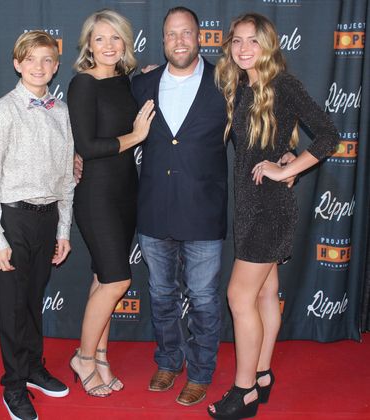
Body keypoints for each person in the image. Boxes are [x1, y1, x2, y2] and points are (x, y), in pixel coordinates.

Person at [208, 13, 339, 419]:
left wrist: (287, 168)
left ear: (268, 46)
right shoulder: (241, 85)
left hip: (269, 208)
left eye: (253, 41)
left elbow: (329, 135)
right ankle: (262, 375)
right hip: (249, 205)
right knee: (265, 293)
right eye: (237, 41)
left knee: (239, 296)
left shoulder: (283, 84)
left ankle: (244, 391)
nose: (244, 48)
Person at [130, 6, 228, 406]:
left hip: (203, 211)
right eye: (172, 34)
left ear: (200, 37)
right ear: (163, 40)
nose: (179, 41)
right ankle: (169, 361)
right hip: (154, 209)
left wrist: (285, 156)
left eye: (186, 33)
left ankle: (201, 372)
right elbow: (108, 125)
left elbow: (258, 127)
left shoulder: (225, 83)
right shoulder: (142, 83)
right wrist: (78, 154)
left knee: (203, 298)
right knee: (160, 294)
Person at [0, 30, 75, 420]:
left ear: (56, 66)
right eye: (30, 59)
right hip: (12, 219)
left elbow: (66, 179)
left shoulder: (61, 111)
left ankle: (33, 367)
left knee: (33, 301)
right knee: (15, 308)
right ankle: (14, 385)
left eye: (47, 59)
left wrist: (63, 230)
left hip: (47, 219)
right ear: (17, 63)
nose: (39, 66)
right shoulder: (0, 113)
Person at [66, 9, 155, 397]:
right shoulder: (83, 84)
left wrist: (152, 74)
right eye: (99, 38)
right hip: (96, 194)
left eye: (115, 37)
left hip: (126, 192)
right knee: (118, 279)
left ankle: (100, 356)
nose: (107, 45)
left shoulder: (125, 82)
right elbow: (87, 146)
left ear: (125, 43)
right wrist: (135, 137)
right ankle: (83, 358)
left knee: (103, 278)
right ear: (88, 44)